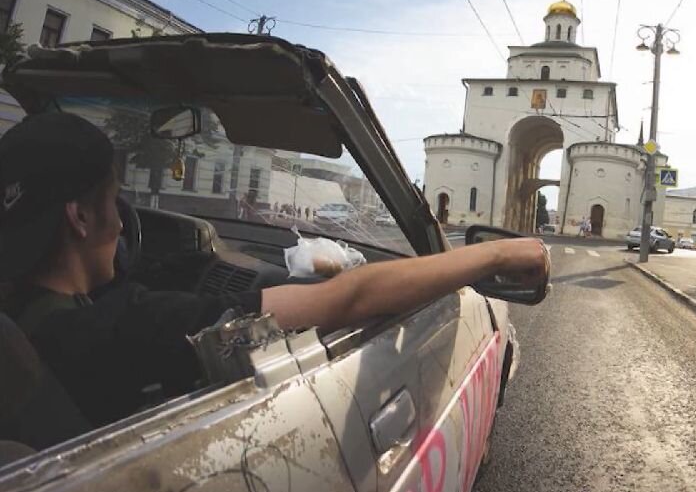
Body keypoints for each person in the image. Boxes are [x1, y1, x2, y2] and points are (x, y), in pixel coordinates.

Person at [0, 113, 548, 432]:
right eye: (115, 202)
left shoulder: (22, 313)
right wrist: (494, 256)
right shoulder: (135, 325)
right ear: (80, 218)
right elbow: (346, 300)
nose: (123, 224)